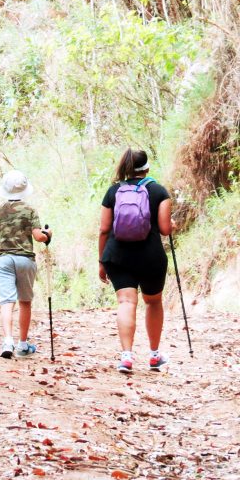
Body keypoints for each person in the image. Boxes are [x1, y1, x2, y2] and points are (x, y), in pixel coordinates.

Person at [99, 148, 173, 373]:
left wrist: (102, 261)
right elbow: (164, 229)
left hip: (118, 255)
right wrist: (173, 226)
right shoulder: (159, 192)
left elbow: (103, 229)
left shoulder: (113, 192)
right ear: (147, 168)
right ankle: (153, 356)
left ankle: (127, 357)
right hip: (150, 257)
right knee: (152, 302)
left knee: (126, 303)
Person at [0, 170, 52, 359]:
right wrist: (49, 234)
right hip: (25, 260)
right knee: (25, 302)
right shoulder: (30, 210)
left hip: (3, 259)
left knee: (7, 301)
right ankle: (23, 345)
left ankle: (8, 340)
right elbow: (39, 237)